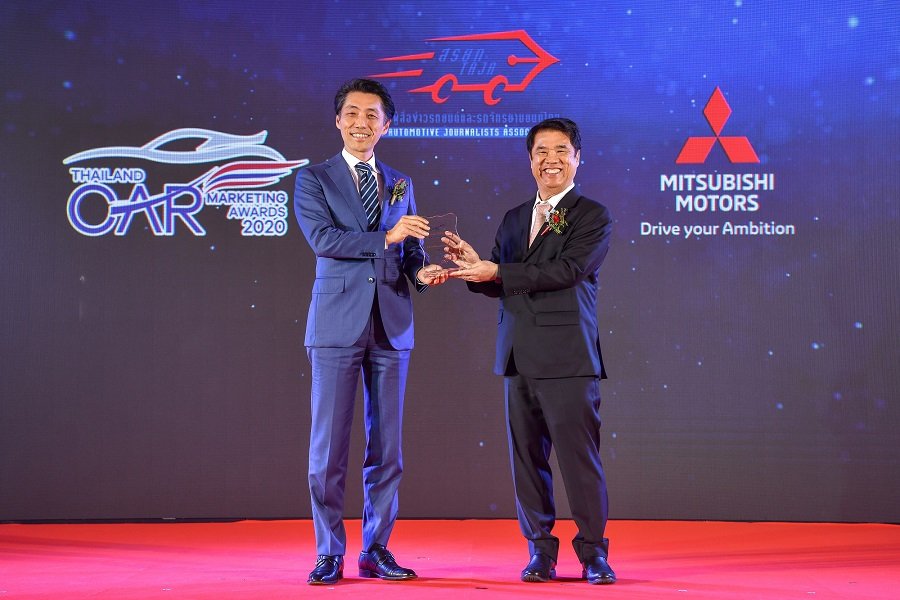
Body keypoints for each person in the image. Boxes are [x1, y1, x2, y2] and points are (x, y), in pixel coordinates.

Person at [444, 118, 616, 585]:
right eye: (541, 151)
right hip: (517, 356)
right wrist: (473, 270)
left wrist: (498, 271)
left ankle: (593, 553)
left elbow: (568, 271)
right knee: (526, 462)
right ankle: (540, 550)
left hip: (568, 358)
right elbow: (500, 282)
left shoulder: (592, 215)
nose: (551, 160)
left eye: (561, 151)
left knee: (579, 462)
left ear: (578, 158)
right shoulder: (515, 217)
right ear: (530, 160)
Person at [294, 78, 447, 585]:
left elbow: (409, 250)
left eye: (372, 116)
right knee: (328, 450)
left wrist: (423, 274)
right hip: (336, 323)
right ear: (338, 120)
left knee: (388, 449)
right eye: (353, 114)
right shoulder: (313, 179)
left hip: (391, 324)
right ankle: (329, 552)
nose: (362, 123)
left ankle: (376, 548)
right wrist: (387, 236)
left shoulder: (400, 182)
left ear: (387, 125)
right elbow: (324, 239)